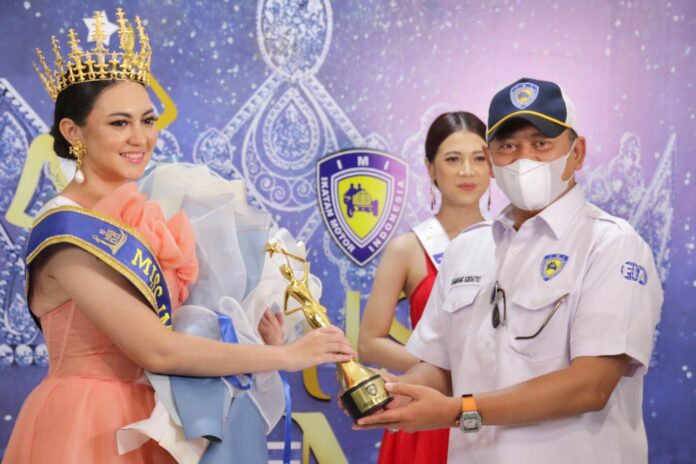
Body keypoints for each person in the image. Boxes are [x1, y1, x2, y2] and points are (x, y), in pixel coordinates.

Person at [3, 10, 355, 464]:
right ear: (73, 132)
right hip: (88, 421)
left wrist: (253, 336)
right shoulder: (67, 233)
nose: (140, 138)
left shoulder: (142, 212)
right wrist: (287, 357)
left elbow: (181, 329)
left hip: (156, 415)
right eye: (119, 123)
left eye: (147, 120)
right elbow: (158, 350)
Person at [354, 77, 663, 464]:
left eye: (541, 143)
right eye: (508, 146)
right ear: (491, 157)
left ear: (577, 153)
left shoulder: (611, 245)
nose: (524, 159)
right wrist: (396, 392)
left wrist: (458, 411)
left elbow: (590, 386)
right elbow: (441, 366)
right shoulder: (466, 248)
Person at [357, 112, 490, 464]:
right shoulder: (408, 248)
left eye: (479, 158)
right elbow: (368, 342)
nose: (467, 171)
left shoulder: (510, 243)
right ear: (430, 168)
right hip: (426, 410)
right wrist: (443, 363)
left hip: (490, 408)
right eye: (453, 159)